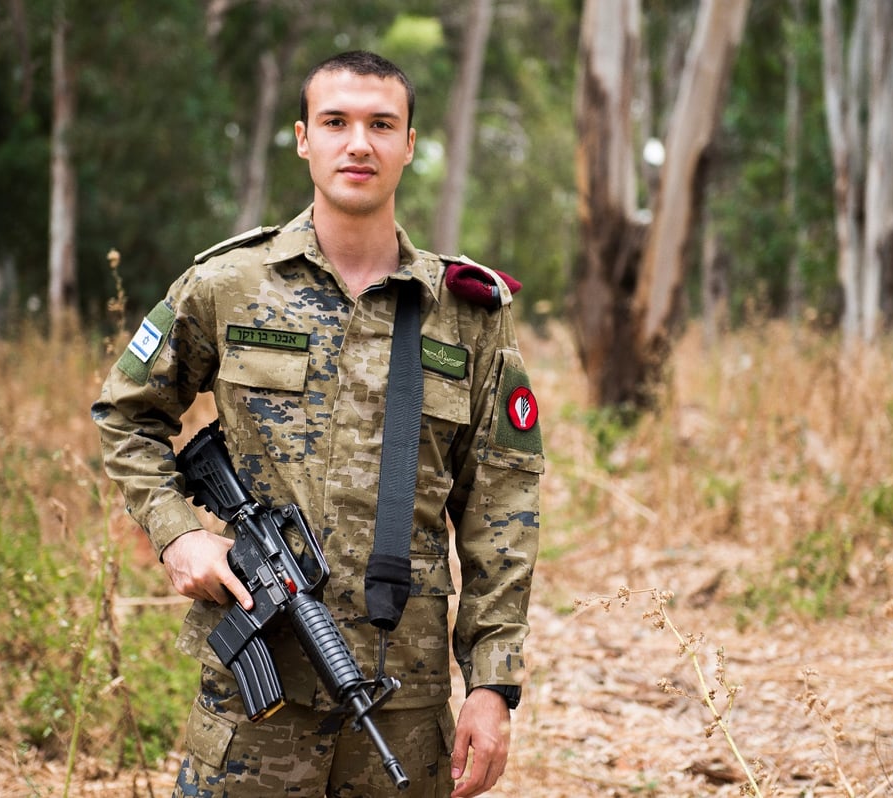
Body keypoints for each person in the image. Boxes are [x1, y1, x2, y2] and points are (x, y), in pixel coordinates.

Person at [92, 50, 542, 798]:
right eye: (335, 122)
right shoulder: (228, 285)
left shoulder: (467, 315)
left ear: (408, 143)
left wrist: (492, 687)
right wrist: (179, 532)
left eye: (380, 124)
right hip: (255, 700)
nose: (357, 143)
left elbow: (502, 510)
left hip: (404, 701)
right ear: (303, 138)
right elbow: (125, 413)